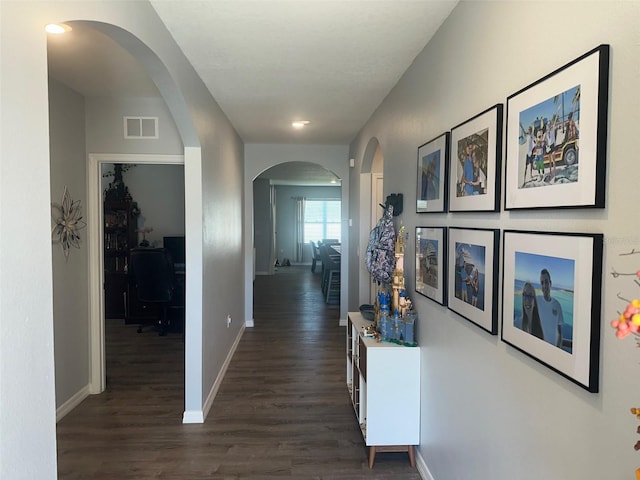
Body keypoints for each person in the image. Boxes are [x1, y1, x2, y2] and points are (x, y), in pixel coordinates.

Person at [537, 269, 564, 348]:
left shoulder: (557, 305)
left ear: (550, 283)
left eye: (546, 282)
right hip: (538, 347)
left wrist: (558, 350)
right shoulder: (536, 300)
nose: (544, 285)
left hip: (552, 350)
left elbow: (560, 332)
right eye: (542, 283)